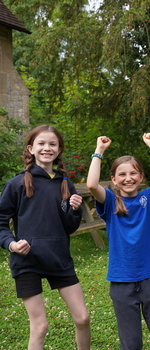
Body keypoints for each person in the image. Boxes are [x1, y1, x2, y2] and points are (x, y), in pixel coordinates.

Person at [0, 125, 91, 350]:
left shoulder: (65, 184)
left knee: (83, 318)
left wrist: (76, 210)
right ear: (31, 148)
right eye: (41, 143)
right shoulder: (16, 184)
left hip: (58, 259)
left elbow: (69, 227)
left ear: (59, 150)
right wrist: (11, 243)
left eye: (52, 144)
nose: (47, 148)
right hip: (27, 261)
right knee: (39, 327)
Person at [86, 133, 150, 350]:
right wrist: (99, 151)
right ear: (114, 179)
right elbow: (91, 184)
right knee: (131, 343)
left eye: (133, 173)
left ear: (141, 176)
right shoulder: (109, 201)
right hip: (121, 280)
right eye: (122, 174)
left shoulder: (149, 198)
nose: (128, 178)